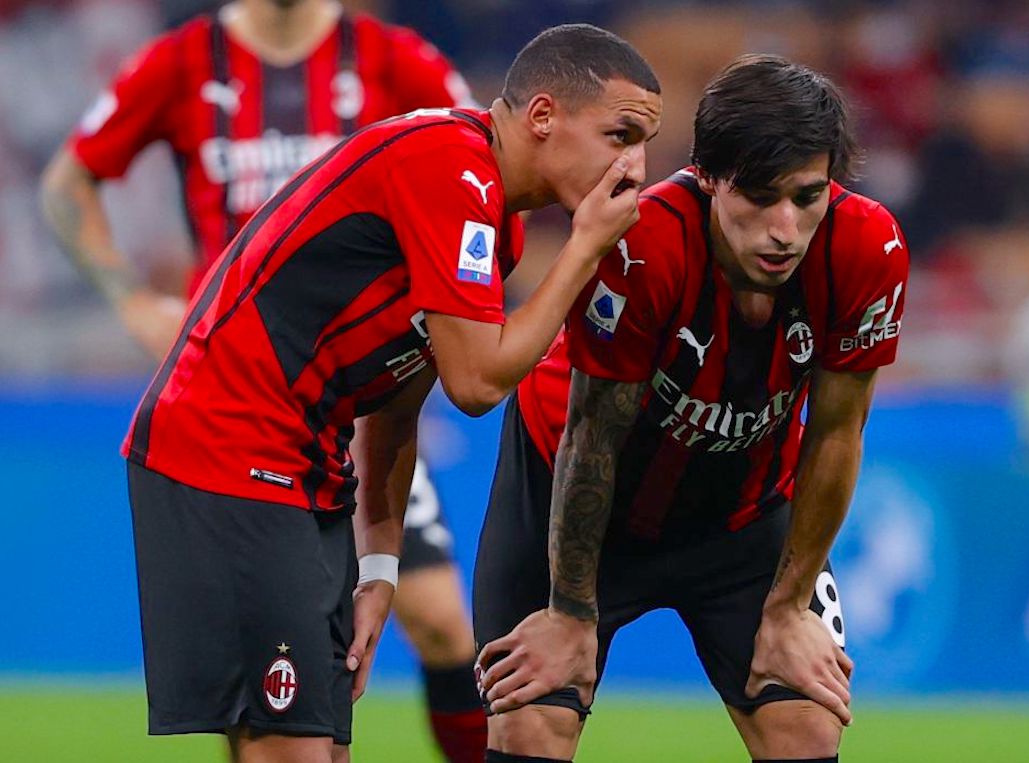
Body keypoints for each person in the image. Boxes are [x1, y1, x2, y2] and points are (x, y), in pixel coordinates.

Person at [72, 23, 660, 763]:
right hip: (225, 448)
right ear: (543, 116)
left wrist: (380, 564)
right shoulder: (449, 165)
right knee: (287, 747)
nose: (634, 165)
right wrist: (583, 248)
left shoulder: (493, 224)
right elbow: (476, 382)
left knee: (318, 747)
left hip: (307, 467)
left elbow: (396, 403)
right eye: (621, 133)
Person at [39, 2, 488, 758]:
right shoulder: (181, 63)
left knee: (443, 618)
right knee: (261, 674)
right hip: (241, 402)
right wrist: (133, 301)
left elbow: (481, 163)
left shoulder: (387, 58)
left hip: (353, 400)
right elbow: (67, 184)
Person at [473, 55, 908, 763]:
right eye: (760, 196)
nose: (784, 229)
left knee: (806, 722)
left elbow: (836, 432)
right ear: (706, 177)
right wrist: (571, 611)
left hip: (741, 515)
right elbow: (593, 438)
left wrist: (790, 607)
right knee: (531, 723)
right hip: (572, 497)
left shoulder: (868, 247)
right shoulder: (645, 243)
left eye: (806, 196)